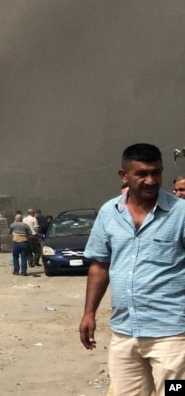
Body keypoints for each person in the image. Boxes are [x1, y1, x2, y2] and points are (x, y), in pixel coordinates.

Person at [80, 143, 185, 395]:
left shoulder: (180, 213)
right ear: (123, 175)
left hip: (172, 337)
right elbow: (100, 265)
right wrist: (89, 312)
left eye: (156, 173)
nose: (151, 180)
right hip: (125, 334)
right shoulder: (109, 213)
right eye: (142, 174)